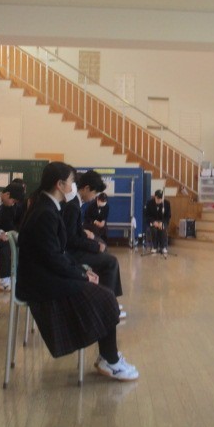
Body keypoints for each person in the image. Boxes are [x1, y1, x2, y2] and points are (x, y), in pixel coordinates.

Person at [16, 162, 138, 381]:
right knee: (106, 298)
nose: (75, 185)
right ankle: (110, 360)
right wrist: (81, 274)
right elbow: (54, 258)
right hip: (41, 282)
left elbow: (56, 253)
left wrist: (81, 271)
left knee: (104, 295)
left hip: (45, 274)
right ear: (60, 184)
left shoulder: (47, 206)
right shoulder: (45, 212)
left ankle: (108, 357)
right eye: (72, 182)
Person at [63, 172, 125, 318]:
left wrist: (89, 238)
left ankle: (107, 301)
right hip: (71, 254)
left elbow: (76, 232)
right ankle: (107, 306)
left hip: (74, 249)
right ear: (86, 188)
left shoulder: (76, 204)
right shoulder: (73, 206)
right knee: (111, 262)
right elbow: (71, 240)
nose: (94, 197)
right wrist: (95, 246)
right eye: (95, 193)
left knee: (104, 251)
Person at [145, 189, 171, 254]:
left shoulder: (167, 203)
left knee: (163, 228)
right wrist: (153, 222)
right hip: (153, 221)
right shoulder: (149, 203)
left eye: (161, 198)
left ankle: (163, 247)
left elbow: (168, 216)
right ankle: (154, 247)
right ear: (155, 196)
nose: (159, 200)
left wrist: (162, 223)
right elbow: (147, 215)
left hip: (162, 221)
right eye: (158, 198)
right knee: (153, 230)